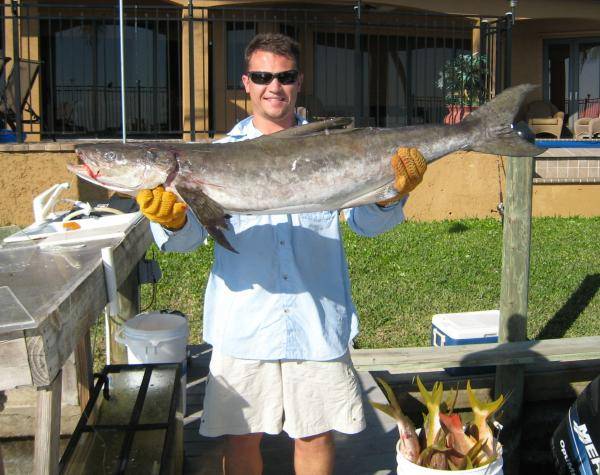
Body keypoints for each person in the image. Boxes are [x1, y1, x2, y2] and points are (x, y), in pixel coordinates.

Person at [136, 33, 427, 475]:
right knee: (241, 437)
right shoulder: (211, 156)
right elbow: (188, 240)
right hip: (244, 322)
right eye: (262, 76)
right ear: (246, 84)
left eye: (285, 76)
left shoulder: (330, 147)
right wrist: (173, 221)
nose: (274, 86)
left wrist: (388, 196)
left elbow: (366, 225)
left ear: (299, 82)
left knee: (315, 434)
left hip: (316, 318)